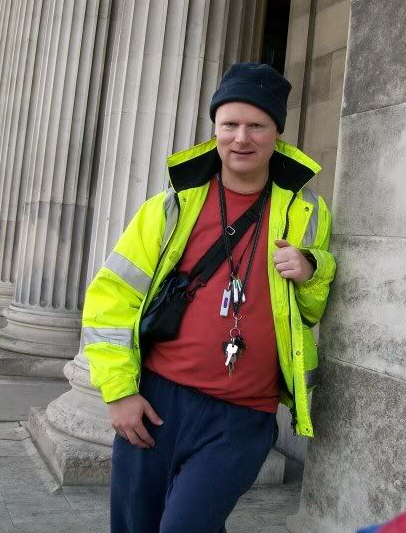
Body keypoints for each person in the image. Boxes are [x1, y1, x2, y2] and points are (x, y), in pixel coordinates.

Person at [82, 63, 336, 533]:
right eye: (230, 124)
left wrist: (312, 271)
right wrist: (119, 393)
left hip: (243, 416)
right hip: (158, 403)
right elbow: (111, 298)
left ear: (277, 132)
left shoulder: (308, 212)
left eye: (257, 125)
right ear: (214, 129)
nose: (242, 137)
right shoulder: (171, 207)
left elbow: (309, 311)